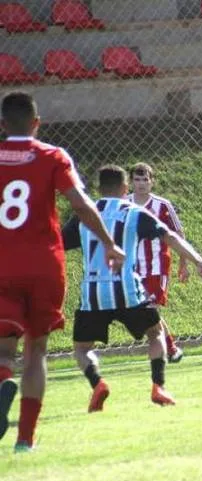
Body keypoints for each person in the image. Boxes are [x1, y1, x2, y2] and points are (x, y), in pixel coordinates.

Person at [0, 92, 124, 452]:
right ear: (37, 123)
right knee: (37, 350)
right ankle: (25, 439)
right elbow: (81, 205)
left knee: (4, 350)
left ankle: (4, 378)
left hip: (2, 264)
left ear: (3, 125)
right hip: (43, 264)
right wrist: (108, 243)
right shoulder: (52, 156)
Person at [62, 165, 202, 412]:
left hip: (93, 294)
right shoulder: (133, 212)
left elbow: (59, 242)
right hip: (128, 290)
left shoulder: (83, 214)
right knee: (155, 334)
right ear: (125, 188)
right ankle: (158, 386)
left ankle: (97, 383)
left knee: (81, 349)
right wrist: (198, 262)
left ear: (99, 189)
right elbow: (171, 237)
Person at [127, 163, 188, 363]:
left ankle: (167, 351)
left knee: (150, 308)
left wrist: (183, 263)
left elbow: (178, 235)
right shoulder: (124, 203)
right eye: (137, 179)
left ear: (152, 182)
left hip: (156, 266)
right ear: (130, 182)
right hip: (130, 268)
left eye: (146, 180)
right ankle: (169, 348)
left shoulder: (162, 205)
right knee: (143, 312)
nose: (141, 184)